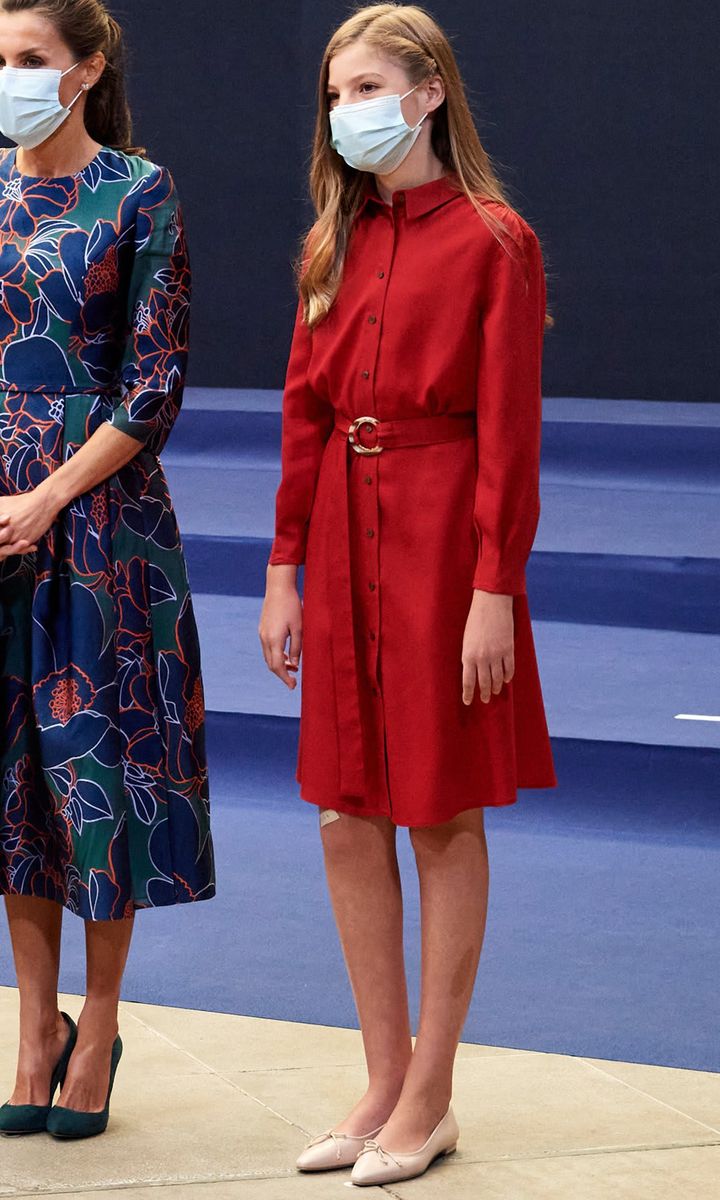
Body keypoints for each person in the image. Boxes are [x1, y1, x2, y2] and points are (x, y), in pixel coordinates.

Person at [259, 1, 557, 1187]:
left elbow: (511, 436)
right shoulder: (333, 241)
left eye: (370, 88)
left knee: (438, 809)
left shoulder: (494, 239)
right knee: (344, 811)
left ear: (430, 92)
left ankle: (430, 1093)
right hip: (340, 531)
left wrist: (496, 586)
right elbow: (303, 413)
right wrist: (283, 571)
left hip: (443, 542)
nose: (349, 114)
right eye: (336, 94)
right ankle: (382, 1078)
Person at [0, 0, 215, 1140]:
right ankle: (34, 1026)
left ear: (83, 70)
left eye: (27, 60)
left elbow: (154, 385)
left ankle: (103, 1013)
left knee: (93, 773)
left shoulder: (139, 190)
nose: (10, 79)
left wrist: (44, 496)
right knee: (14, 787)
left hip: (95, 521)